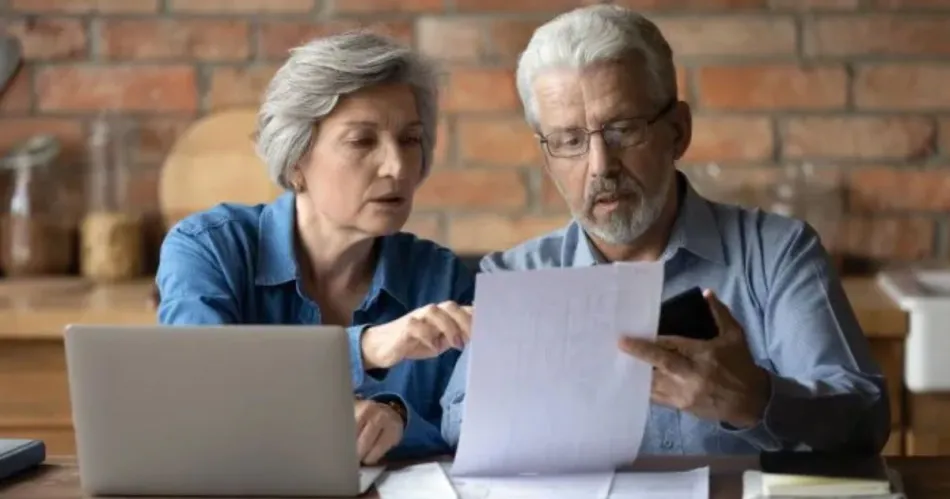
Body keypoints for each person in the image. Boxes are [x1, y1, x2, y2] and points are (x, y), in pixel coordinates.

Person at [440, 4, 889, 455]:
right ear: (547, 159)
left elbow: (867, 420)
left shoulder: (777, 254)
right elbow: (456, 424)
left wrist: (755, 400)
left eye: (622, 130)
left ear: (678, 131)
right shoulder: (516, 279)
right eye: (570, 141)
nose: (601, 166)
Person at [156, 32, 474, 464]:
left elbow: (469, 428)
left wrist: (397, 420)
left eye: (410, 139)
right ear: (295, 161)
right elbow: (200, 384)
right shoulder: (208, 248)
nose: (397, 166)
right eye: (362, 141)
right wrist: (364, 349)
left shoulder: (442, 278)